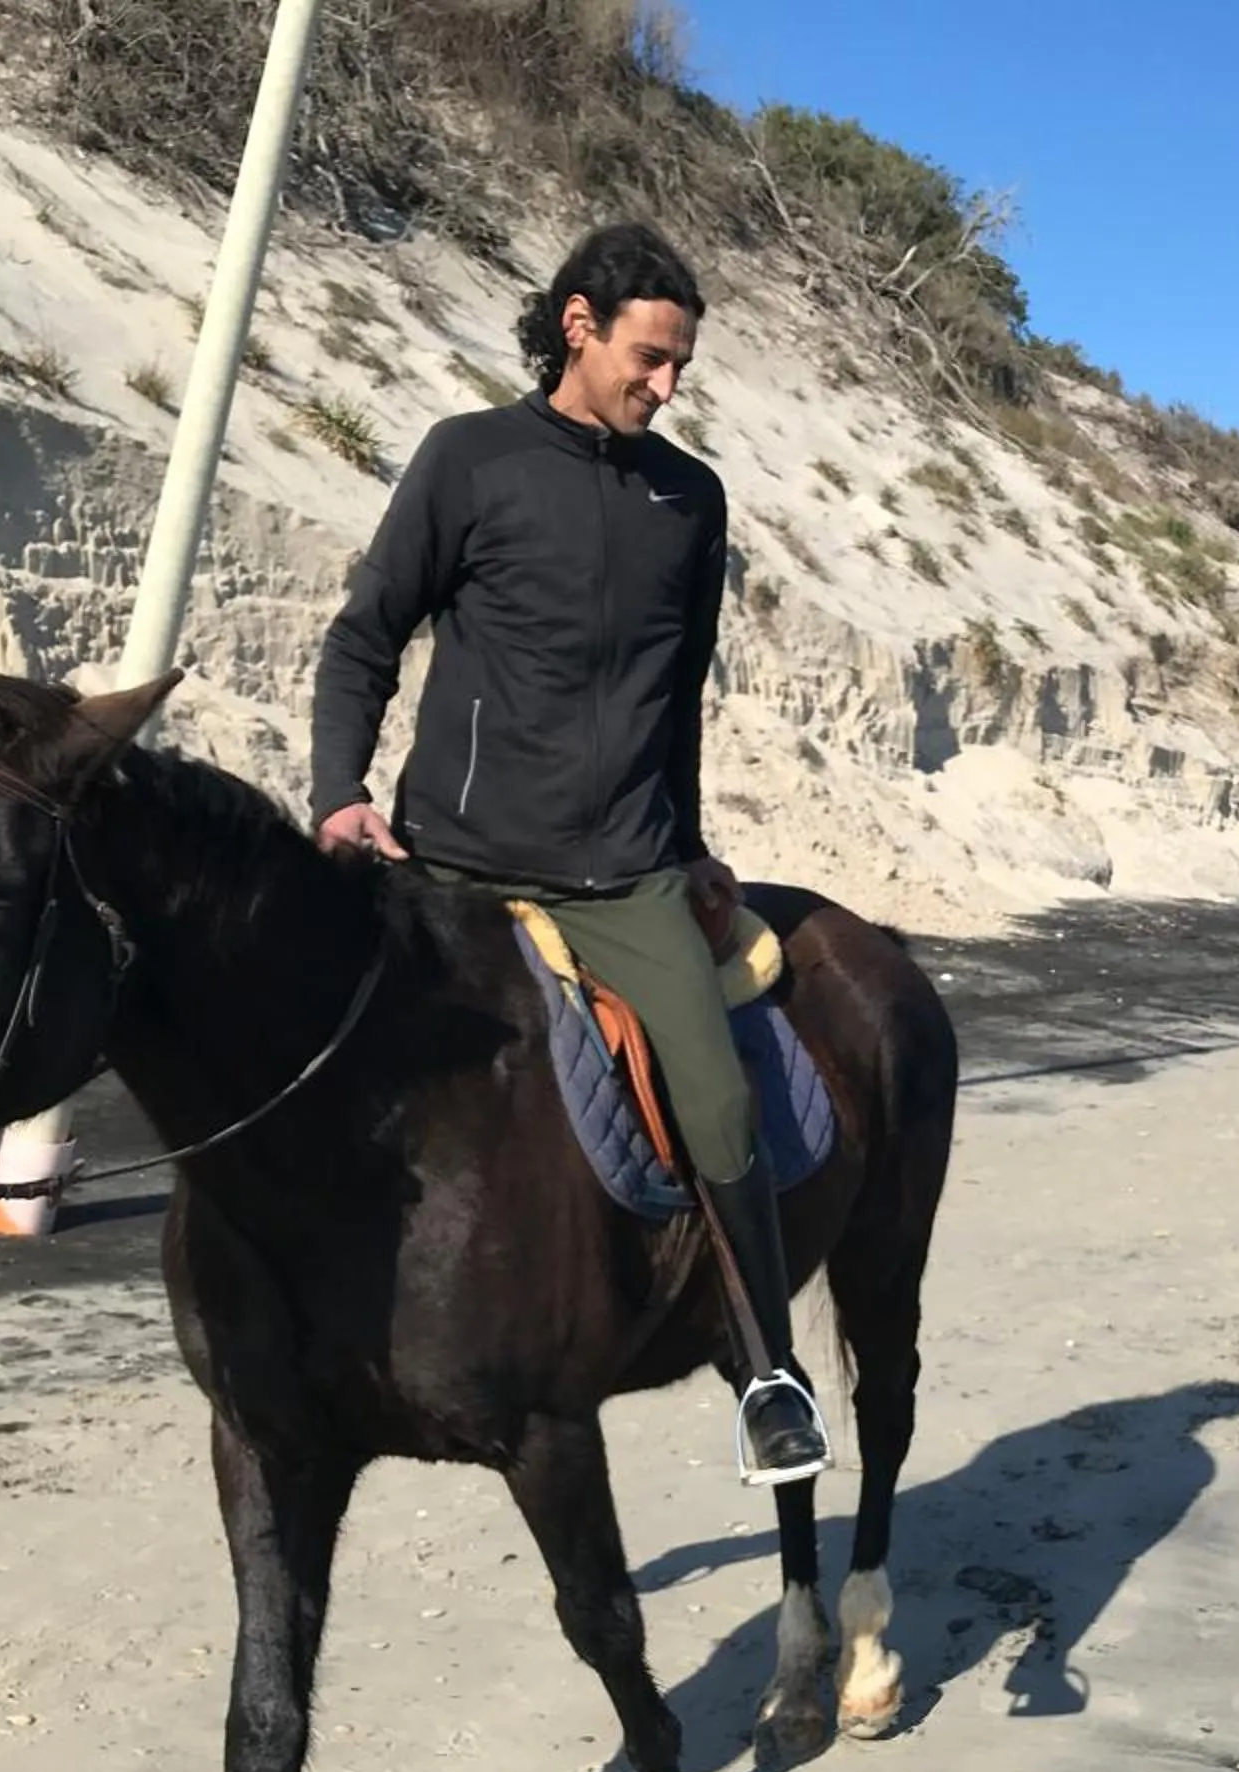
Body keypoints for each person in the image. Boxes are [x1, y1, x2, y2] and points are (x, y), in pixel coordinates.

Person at [306, 220, 827, 1485]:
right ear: (580, 325)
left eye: (682, 370)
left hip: (626, 875)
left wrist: (690, 849)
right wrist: (340, 795)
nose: (667, 385)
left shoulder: (689, 499)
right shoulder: (469, 460)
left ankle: (767, 1371)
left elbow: (675, 696)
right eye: (651, 358)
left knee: (714, 1094)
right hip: (456, 870)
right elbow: (365, 638)